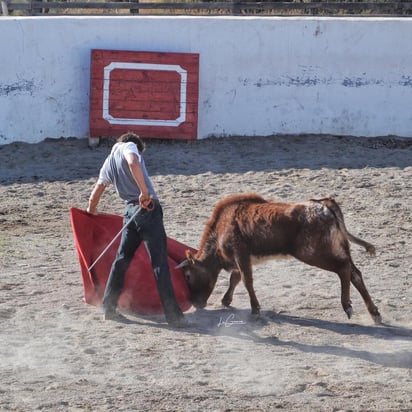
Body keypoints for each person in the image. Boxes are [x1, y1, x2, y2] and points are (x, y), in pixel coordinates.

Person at [87, 132, 187, 327]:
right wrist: (144, 191)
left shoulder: (109, 162)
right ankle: (173, 317)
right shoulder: (129, 147)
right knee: (159, 263)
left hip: (130, 213)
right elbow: (133, 162)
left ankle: (109, 307)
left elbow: (97, 191)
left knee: (121, 260)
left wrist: (90, 212)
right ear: (135, 144)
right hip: (148, 210)